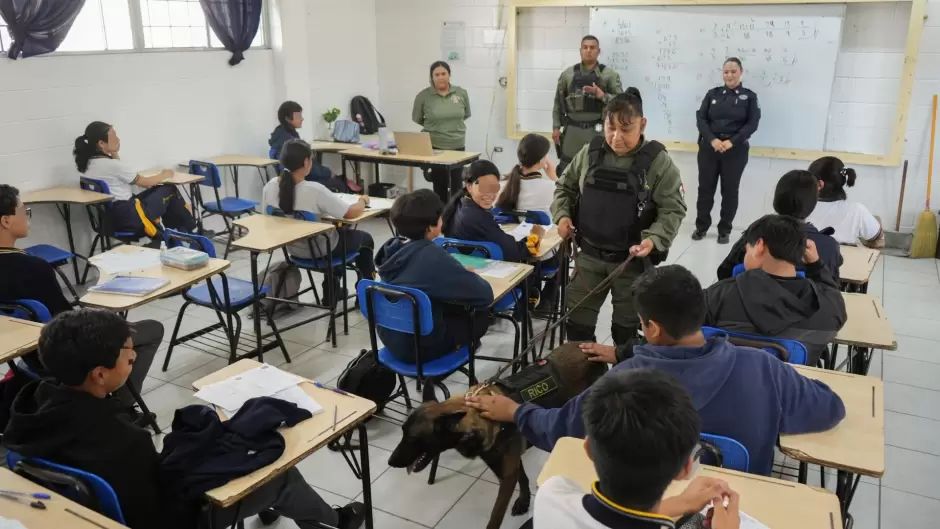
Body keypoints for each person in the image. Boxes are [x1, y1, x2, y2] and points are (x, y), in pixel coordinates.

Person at [466, 264, 846, 476]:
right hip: (730, 510)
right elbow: (831, 409)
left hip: (646, 510)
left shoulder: (620, 383)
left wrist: (516, 411)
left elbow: (561, 431)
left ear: (651, 328)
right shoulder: (763, 367)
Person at [2, 309, 366, 529]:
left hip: (85, 512)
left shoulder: (27, 407)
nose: (133, 361)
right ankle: (334, 523)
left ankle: (281, 508)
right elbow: (167, 511)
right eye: (129, 358)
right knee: (280, 475)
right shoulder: (121, 441)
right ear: (99, 373)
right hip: (173, 520)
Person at [0, 184, 162, 413]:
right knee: (152, 330)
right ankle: (118, 409)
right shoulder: (33, 268)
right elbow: (67, 322)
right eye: (23, 211)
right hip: (63, 356)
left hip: (24, 355)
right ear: (6, 221)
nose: (27, 217)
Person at [551, 88, 686, 349]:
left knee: (626, 334)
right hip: (587, 258)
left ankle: (625, 386)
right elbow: (564, 188)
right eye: (610, 127)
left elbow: (673, 210)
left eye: (626, 129)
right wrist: (562, 216)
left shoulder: (658, 162)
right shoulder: (590, 152)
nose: (616, 137)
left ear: (642, 124)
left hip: (631, 263)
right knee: (577, 328)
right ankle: (589, 383)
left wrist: (653, 240)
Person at [535, 368, 742, 529]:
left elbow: (616, 517)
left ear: (588, 448)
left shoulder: (551, 493)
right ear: (686, 469)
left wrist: (681, 502)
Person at [704, 214, 847, 367]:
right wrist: (816, 266)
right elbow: (836, 304)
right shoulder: (825, 308)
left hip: (724, 386)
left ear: (759, 246)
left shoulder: (717, 296)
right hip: (790, 389)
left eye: (747, 249)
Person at [375, 189, 494, 363]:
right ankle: (448, 363)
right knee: (480, 315)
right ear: (430, 226)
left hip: (390, 338)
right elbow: (485, 295)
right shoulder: (433, 257)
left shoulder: (390, 250)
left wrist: (453, 270)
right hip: (421, 348)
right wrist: (459, 272)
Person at [262, 139, 375, 304]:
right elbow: (350, 213)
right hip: (321, 251)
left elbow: (266, 218)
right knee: (364, 239)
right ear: (307, 162)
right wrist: (363, 201)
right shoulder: (314, 190)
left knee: (337, 234)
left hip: (293, 250)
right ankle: (366, 296)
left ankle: (332, 293)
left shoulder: (270, 187)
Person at [74, 121, 196, 243]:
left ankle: (177, 234)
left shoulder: (88, 164)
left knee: (160, 193)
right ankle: (190, 232)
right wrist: (165, 174)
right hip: (130, 217)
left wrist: (113, 152)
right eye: (114, 136)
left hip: (111, 218)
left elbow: (120, 171)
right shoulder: (112, 166)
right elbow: (146, 183)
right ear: (101, 143)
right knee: (169, 189)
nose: (118, 139)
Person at [717, 170, 843, 281]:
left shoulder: (756, 234)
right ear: (813, 203)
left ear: (776, 198)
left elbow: (724, 273)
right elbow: (830, 289)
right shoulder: (829, 246)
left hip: (747, 304)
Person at [692, 58, 761, 245]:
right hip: (709, 149)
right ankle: (701, 226)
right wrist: (712, 140)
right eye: (726, 72)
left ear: (741, 72)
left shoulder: (750, 97)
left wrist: (732, 141)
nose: (729, 75)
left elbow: (752, 124)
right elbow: (701, 119)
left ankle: (724, 230)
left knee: (729, 191)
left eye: (733, 71)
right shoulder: (712, 94)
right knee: (705, 189)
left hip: (735, 151)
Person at [442, 159, 545, 263]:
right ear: (469, 187)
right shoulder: (479, 218)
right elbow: (515, 252)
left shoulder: (459, 205)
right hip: (482, 273)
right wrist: (535, 237)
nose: (490, 194)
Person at [552, 35, 623, 175]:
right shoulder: (567, 75)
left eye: (592, 47)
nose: (588, 50)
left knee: (597, 169)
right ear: (580, 51)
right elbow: (558, 103)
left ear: (598, 51)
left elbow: (621, 103)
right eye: (585, 47)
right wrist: (555, 127)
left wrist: (603, 96)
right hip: (572, 132)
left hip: (597, 131)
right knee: (567, 170)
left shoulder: (609, 75)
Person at [412, 61, 472, 202]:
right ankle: (440, 219)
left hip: (457, 145)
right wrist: (436, 126)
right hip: (435, 146)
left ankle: (456, 217)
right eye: (437, 74)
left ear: (449, 75)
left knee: (457, 184)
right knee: (439, 185)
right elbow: (418, 118)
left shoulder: (461, 93)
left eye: (443, 73)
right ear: (432, 77)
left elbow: (466, 114)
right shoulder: (424, 96)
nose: (440, 77)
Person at [269, 101, 350, 193]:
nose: (302, 119)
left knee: (338, 179)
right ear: (288, 118)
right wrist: (328, 173)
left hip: (293, 180)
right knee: (339, 183)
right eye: (299, 116)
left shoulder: (281, 135)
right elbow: (305, 168)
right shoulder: (288, 140)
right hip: (301, 181)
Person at [807, 156, 883, 247]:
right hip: (845, 259)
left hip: (806, 258)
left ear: (819, 184)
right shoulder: (857, 210)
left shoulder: (800, 208)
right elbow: (878, 239)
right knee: (876, 221)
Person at [496, 133, 558, 215]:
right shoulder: (552, 188)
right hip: (540, 228)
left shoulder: (501, 186)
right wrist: (554, 177)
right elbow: (567, 201)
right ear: (541, 159)